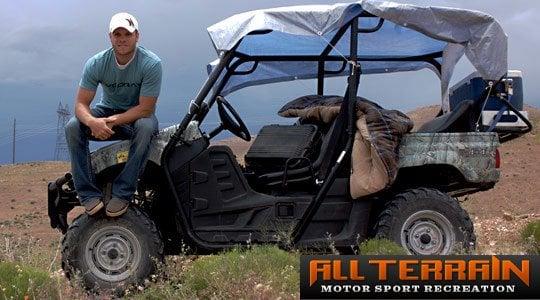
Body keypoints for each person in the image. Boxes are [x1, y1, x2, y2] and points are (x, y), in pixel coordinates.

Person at [65, 12, 162, 217]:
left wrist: (110, 122)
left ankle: (123, 192)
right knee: (73, 126)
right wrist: (92, 122)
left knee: (145, 127)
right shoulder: (97, 63)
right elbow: (81, 104)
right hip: (107, 110)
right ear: (110, 37)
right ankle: (88, 194)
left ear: (137, 35)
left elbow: (146, 109)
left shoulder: (151, 64)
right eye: (117, 34)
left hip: (137, 115)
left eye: (127, 34)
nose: (122, 39)